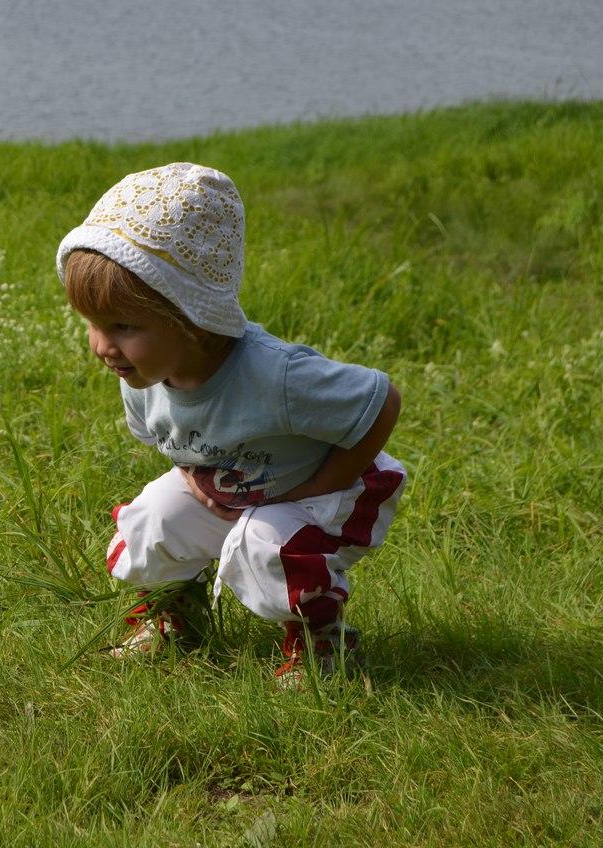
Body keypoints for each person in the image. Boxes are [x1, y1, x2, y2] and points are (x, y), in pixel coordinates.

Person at [55, 163, 406, 685]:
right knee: (152, 521)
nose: (103, 346)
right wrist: (199, 489)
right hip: (241, 489)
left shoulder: (274, 375)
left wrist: (323, 484)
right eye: (94, 324)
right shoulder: (140, 376)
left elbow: (380, 402)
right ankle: (177, 619)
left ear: (191, 316)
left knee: (268, 547)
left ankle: (322, 647)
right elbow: (181, 446)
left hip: (330, 490)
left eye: (124, 326)